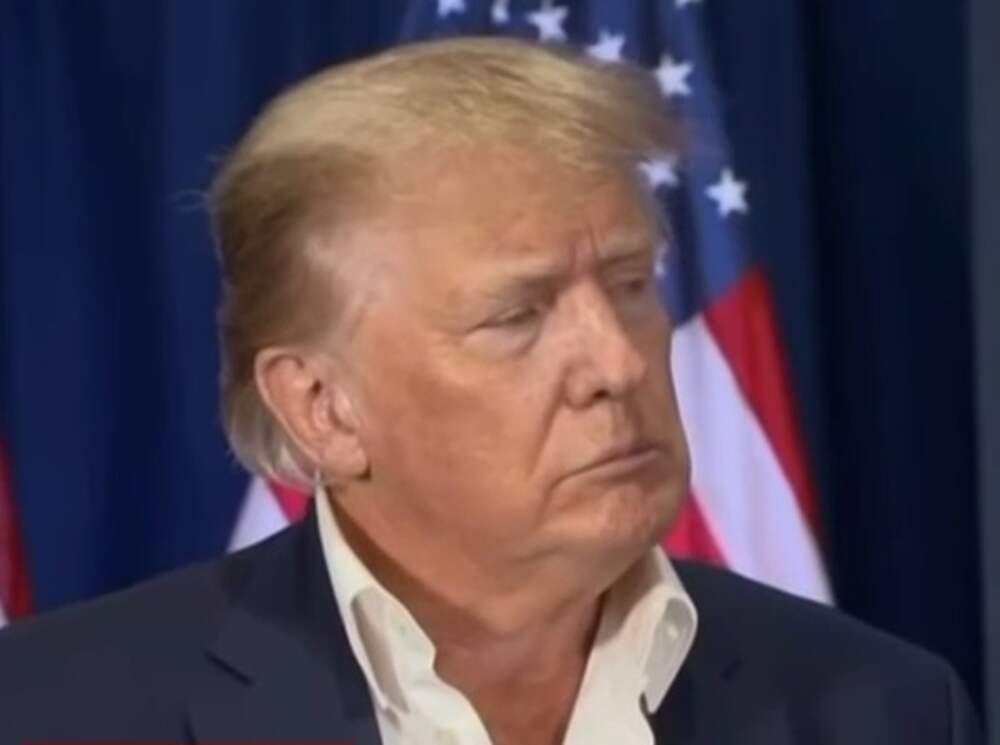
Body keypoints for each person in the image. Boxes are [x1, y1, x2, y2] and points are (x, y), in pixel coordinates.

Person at [0, 36, 982, 745]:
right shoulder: (54, 714)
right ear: (322, 408)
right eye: (517, 316)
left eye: (631, 284)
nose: (619, 363)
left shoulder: (881, 709)